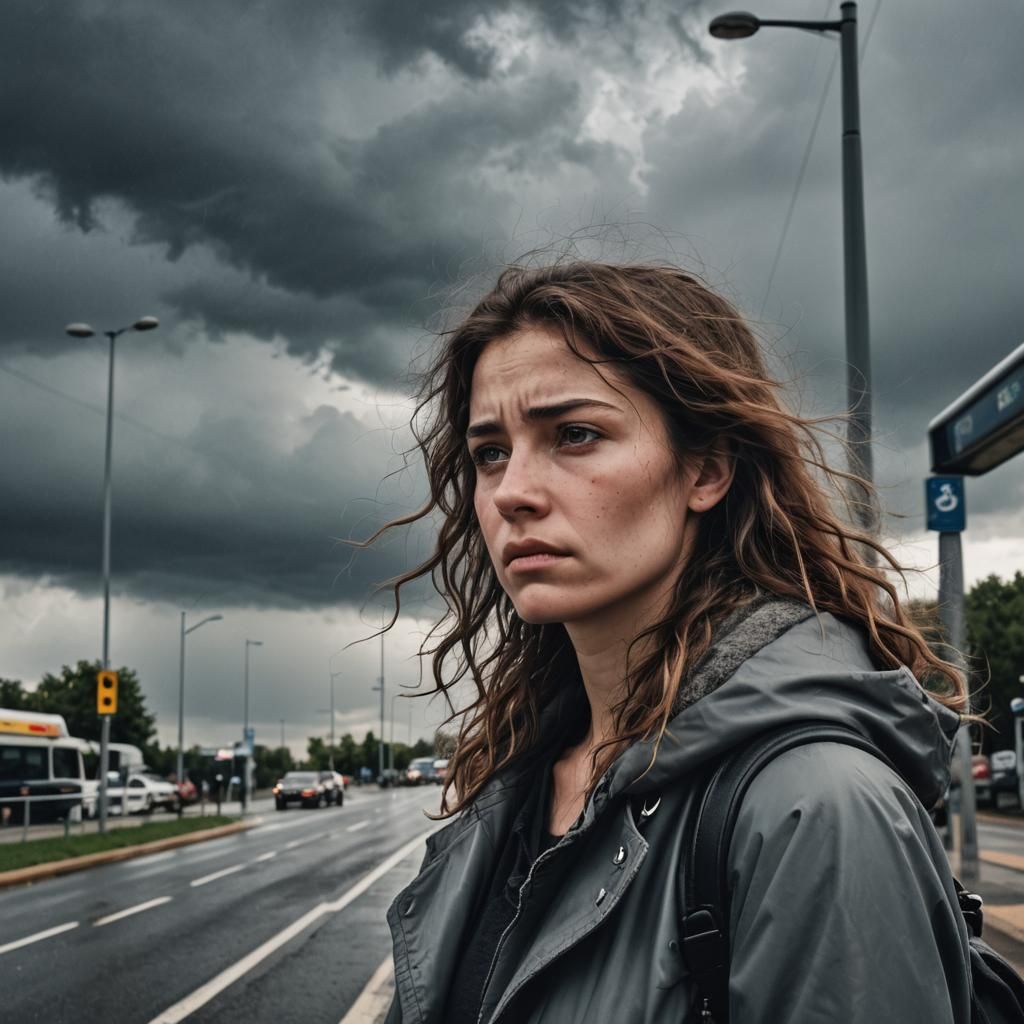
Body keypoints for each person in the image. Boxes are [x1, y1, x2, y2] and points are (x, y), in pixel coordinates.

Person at [377, 262, 972, 1023]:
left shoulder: (816, 808)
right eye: (490, 451)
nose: (511, 492)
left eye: (576, 435)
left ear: (707, 469)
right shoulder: (522, 778)